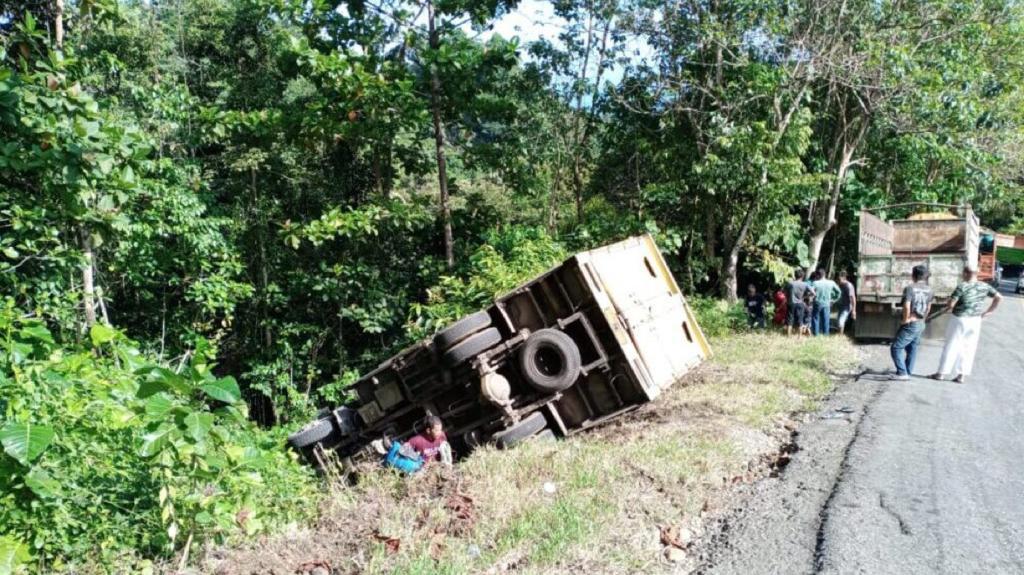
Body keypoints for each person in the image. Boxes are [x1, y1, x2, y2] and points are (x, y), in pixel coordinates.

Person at [930, 266, 1002, 384]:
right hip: (975, 320)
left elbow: (951, 304)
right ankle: (961, 376)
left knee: (951, 345)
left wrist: (949, 303)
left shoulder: (962, 286)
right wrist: (989, 312)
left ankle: (941, 373)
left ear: (965, 273)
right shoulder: (985, 286)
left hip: (960, 318)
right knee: (969, 347)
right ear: (977, 273)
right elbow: (999, 297)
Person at [890, 265, 933, 381]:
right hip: (920, 322)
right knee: (912, 347)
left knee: (896, 347)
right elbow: (929, 307)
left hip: (911, 322)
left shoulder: (910, 288)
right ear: (925, 277)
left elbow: (906, 305)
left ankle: (902, 373)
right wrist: (923, 319)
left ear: (913, 275)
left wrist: (905, 319)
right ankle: (908, 371)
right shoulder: (930, 289)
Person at [810, 269, 841, 336]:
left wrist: (812, 295)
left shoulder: (815, 283)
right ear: (825, 274)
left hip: (817, 302)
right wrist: (834, 300)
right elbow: (838, 292)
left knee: (815, 318)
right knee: (826, 319)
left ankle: (816, 334)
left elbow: (811, 290)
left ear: (818, 275)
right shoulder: (831, 282)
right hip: (827, 303)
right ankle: (826, 334)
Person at [785, 269, 809, 336]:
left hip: (791, 303)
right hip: (800, 303)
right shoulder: (805, 284)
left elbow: (785, 292)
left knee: (790, 320)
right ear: (802, 276)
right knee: (800, 320)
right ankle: (799, 336)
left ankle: (788, 336)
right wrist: (805, 296)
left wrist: (788, 297)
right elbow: (813, 293)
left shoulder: (790, 283)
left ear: (795, 276)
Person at [836, 271, 857, 335]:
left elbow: (853, 298)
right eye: (837, 279)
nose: (838, 281)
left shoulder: (848, 286)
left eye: (839, 279)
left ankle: (840, 336)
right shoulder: (840, 285)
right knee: (839, 321)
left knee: (840, 321)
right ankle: (840, 334)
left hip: (847, 306)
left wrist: (853, 310)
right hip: (841, 305)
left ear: (844, 278)